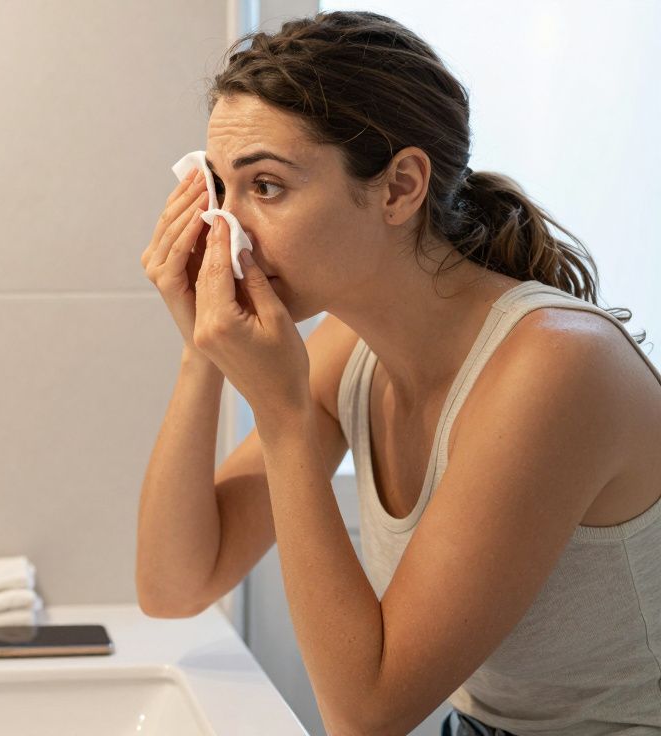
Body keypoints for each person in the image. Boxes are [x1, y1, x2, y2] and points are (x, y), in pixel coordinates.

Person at [136, 10, 661, 735]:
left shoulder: (556, 366)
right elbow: (176, 585)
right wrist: (202, 350)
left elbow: (366, 715)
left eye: (267, 187)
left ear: (399, 187)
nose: (226, 231)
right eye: (219, 189)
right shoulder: (348, 355)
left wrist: (285, 418)